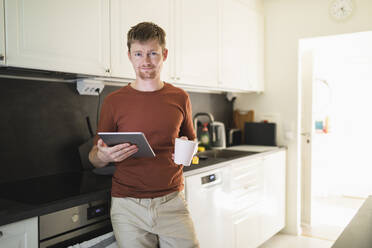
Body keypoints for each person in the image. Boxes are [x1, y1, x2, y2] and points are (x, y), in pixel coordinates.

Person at [88, 22, 199, 248]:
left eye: (152, 53)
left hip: (172, 202)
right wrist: (105, 156)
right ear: (129, 56)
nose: (146, 61)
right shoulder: (113, 101)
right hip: (128, 207)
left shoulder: (180, 97)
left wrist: (188, 145)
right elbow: (94, 158)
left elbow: (191, 146)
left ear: (164, 54)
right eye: (138, 53)